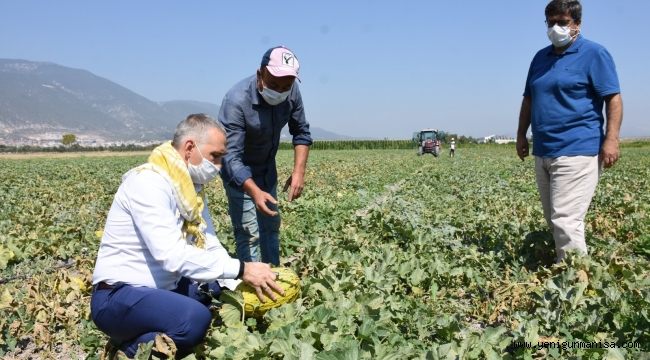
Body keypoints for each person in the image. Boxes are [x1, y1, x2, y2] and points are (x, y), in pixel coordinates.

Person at [90, 114, 283, 358]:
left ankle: (141, 335)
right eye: (215, 156)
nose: (219, 166)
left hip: (163, 289)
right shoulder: (148, 183)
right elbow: (171, 256)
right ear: (190, 147)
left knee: (214, 291)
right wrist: (243, 269)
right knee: (194, 320)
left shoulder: (190, 192)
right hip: (118, 296)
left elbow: (210, 245)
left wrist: (241, 284)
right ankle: (129, 350)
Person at [516, 0, 623, 262]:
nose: (556, 27)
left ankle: (574, 284)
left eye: (562, 22)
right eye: (551, 22)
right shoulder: (540, 58)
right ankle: (565, 269)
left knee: (565, 218)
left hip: (578, 148)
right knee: (555, 219)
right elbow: (529, 99)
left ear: (577, 24)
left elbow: (613, 98)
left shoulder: (594, 54)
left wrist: (611, 139)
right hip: (545, 150)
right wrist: (521, 134)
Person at [219, 46, 312, 266]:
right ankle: (253, 285)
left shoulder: (291, 92)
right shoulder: (236, 100)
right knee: (249, 233)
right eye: (274, 84)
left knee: (270, 227)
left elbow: (301, 132)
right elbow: (230, 156)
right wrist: (253, 191)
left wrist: (298, 172)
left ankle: (274, 274)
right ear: (260, 74)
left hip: (267, 171)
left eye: (285, 86)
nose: (279, 91)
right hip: (239, 176)